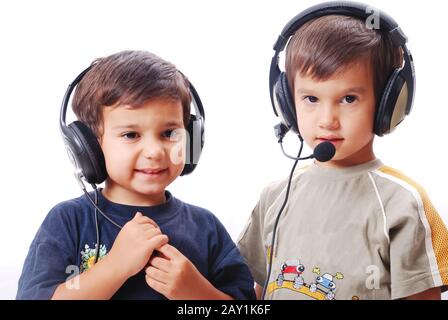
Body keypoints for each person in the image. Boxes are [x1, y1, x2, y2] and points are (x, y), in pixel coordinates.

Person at [237, 1, 448, 300]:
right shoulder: (275, 197)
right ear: (286, 102)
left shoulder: (402, 203)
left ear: (389, 104)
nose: (327, 120)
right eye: (310, 98)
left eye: (348, 99)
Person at [17, 50, 255, 300]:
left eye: (169, 133)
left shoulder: (206, 227)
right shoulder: (69, 222)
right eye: (131, 135)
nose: (154, 151)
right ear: (89, 146)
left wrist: (196, 292)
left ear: (192, 138)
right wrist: (115, 266)